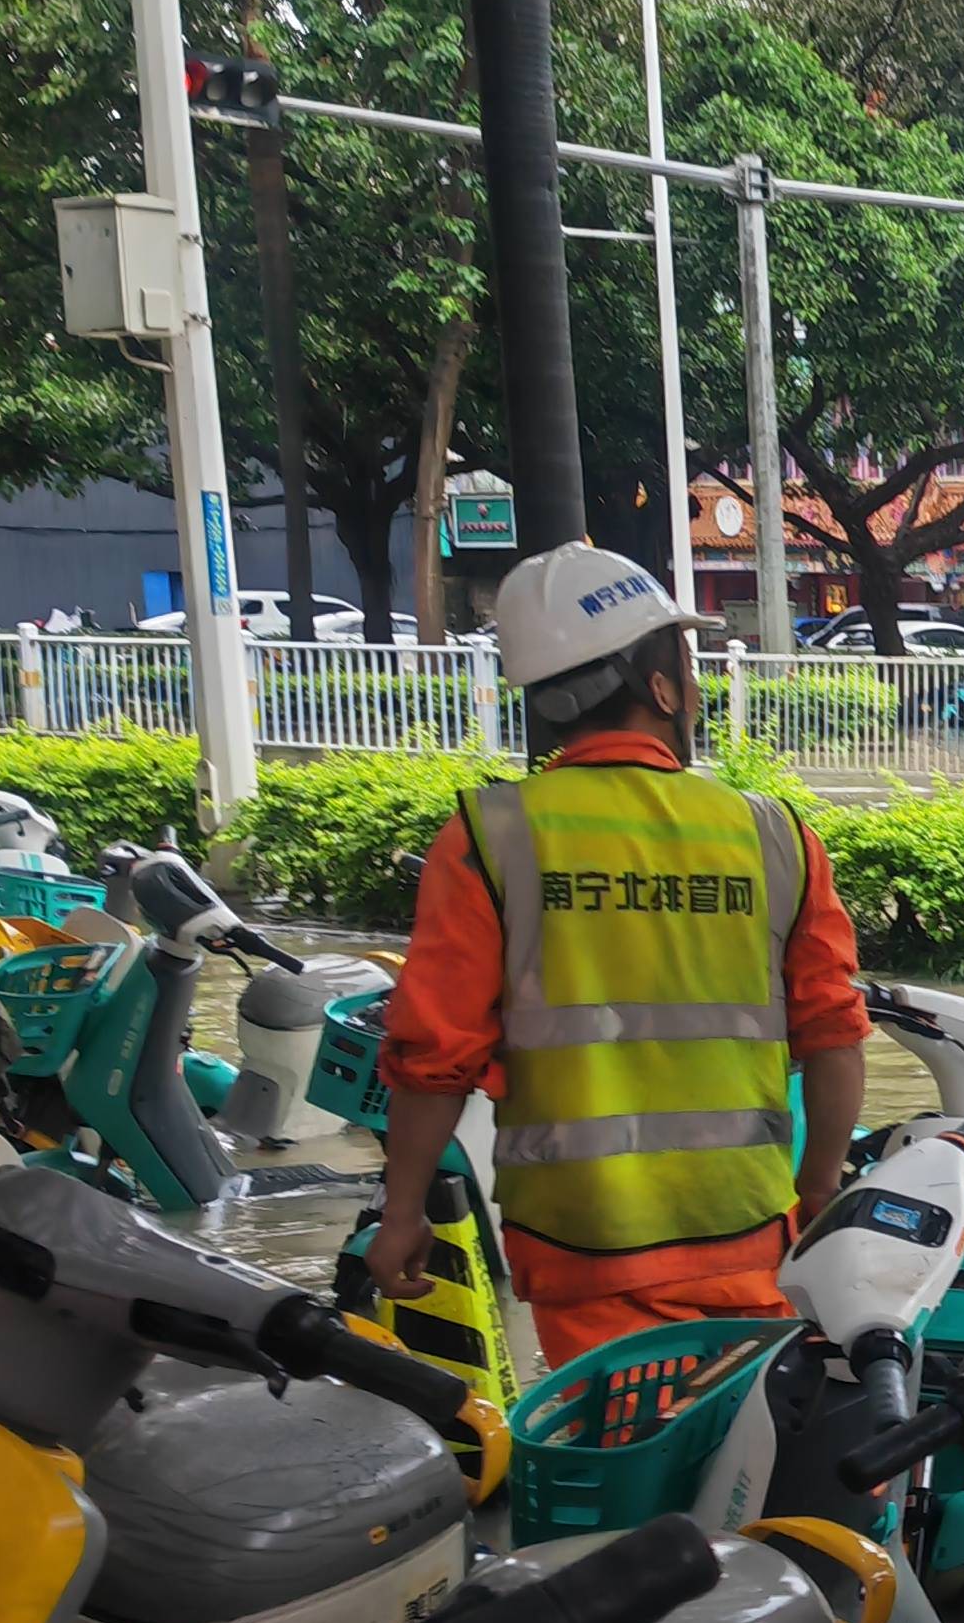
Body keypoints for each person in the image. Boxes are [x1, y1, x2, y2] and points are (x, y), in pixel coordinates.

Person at [373, 542, 872, 1370]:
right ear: (660, 686)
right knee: (736, 1455)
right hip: (743, 1225)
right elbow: (833, 1030)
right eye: (687, 660)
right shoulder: (771, 835)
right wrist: (818, 1182)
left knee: (619, 1455)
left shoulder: (492, 838)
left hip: (578, 1238)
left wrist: (401, 1214)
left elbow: (434, 1057)